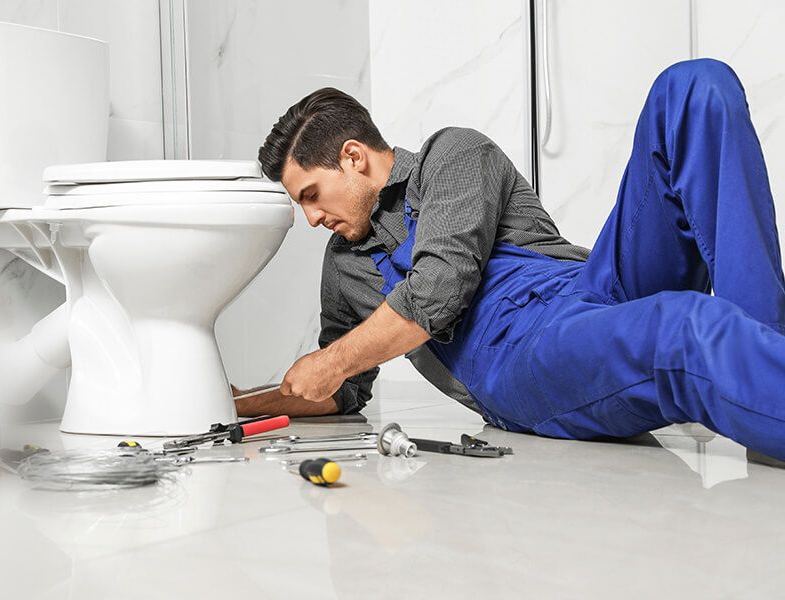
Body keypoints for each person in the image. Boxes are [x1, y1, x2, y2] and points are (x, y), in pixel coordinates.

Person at [234, 58, 785, 464]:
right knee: (686, 327)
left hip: (594, 285)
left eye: (311, 194)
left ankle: (768, 367)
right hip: (521, 360)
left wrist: (330, 362)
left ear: (352, 157)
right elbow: (346, 387)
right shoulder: (344, 266)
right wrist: (243, 402)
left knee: (692, 87)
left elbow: (438, 288)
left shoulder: (450, 155)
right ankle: (766, 390)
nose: (310, 219)